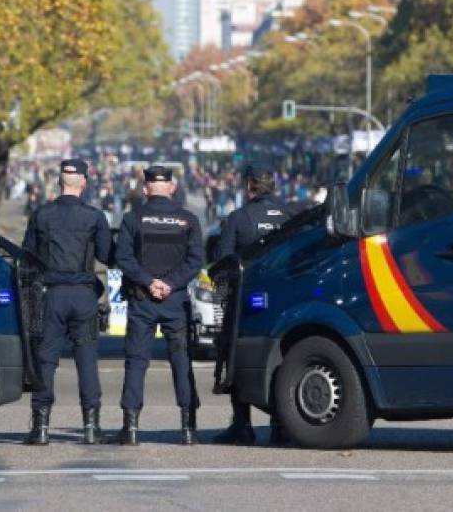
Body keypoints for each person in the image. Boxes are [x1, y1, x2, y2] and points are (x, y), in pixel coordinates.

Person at [22, 158, 112, 446]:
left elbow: (28, 256)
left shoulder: (42, 215)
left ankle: (41, 426)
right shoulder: (94, 217)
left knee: (46, 360)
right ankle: (90, 425)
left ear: (59, 182)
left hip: (52, 294)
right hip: (84, 294)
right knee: (86, 360)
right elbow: (107, 256)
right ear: (84, 182)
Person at [111, 165, 204, 446]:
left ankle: (131, 428)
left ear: (146, 188)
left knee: (137, 362)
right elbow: (195, 260)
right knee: (181, 361)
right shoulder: (188, 220)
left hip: (143, 299)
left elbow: (123, 258)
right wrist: (170, 284)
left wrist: (149, 282)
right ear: (172, 188)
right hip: (175, 300)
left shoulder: (133, 218)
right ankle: (188, 428)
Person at [213, 164, 293, 446]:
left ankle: (242, 425)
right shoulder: (290, 217)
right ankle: (281, 424)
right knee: (284, 359)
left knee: (235, 357)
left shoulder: (239, 218)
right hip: (286, 301)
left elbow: (223, 262)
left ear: (249, 186)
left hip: (247, 302)